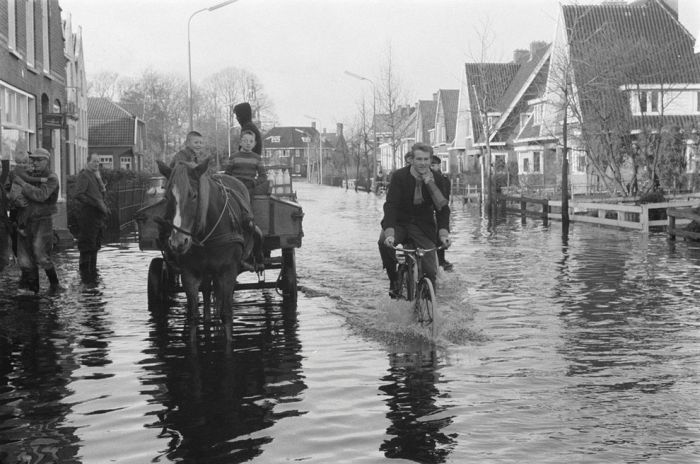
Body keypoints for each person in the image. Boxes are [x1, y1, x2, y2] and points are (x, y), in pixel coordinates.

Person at [378, 143, 451, 298]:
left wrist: (443, 234)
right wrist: (390, 233)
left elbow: (443, 209)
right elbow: (391, 205)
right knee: (383, 242)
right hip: (399, 223)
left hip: (423, 227)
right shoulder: (399, 177)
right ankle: (394, 280)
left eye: (426, 159)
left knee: (430, 272)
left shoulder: (437, 179)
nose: (423, 163)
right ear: (411, 160)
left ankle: (427, 306)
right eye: (419, 159)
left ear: (430, 160)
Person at [10, 148, 62, 294]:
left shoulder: (52, 178)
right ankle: (33, 290)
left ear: (47, 161)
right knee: (25, 259)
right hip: (25, 220)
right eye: (33, 159)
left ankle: (54, 284)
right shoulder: (28, 174)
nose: (35, 163)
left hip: (42, 221)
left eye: (39, 160)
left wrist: (23, 184)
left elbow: (41, 195)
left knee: (40, 255)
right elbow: (14, 190)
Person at [74, 153, 109, 282]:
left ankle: (92, 273)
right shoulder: (84, 176)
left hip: (97, 215)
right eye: (94, 161)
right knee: (87, 245)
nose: (96, 164)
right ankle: (85, 276)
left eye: (98, 162)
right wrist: (94, 203)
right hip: (88, 214)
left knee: (95, 244)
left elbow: (102, 195)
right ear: (88, 162)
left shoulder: (96, 176)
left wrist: (100, 182)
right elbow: (78, 194)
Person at [224, 130, 268, 194]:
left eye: (251, 141)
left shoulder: (257, 158)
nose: (248, 143)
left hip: (250, 188)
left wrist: (254, 183)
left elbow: (263, 176)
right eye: (245, 141)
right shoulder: (233, 157)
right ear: (240, 142)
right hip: (234, 187)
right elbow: (227, 174)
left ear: (254, 143)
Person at [430, 155, 454, 271]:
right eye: (431, 165)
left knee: (440, 231)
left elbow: (445, 197)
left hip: (439, 209)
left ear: (439, 166)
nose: (432, 167)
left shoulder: (443, 179)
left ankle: (441, 259)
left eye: (434, 165)